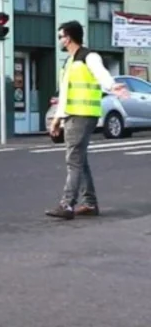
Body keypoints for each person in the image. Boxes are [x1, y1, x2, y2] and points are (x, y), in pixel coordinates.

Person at [46, 20, 128, 220]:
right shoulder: (69, 62)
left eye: (60, 36)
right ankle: (89, 203)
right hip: (73, 115)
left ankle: (67, 204)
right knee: (79, 160)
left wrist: (113, 86)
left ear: (69, 38)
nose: (59, 40)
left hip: (83, 115)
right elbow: (65, 94)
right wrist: (58, 118)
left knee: (73, 159)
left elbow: (101, 74)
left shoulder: (88, 57)